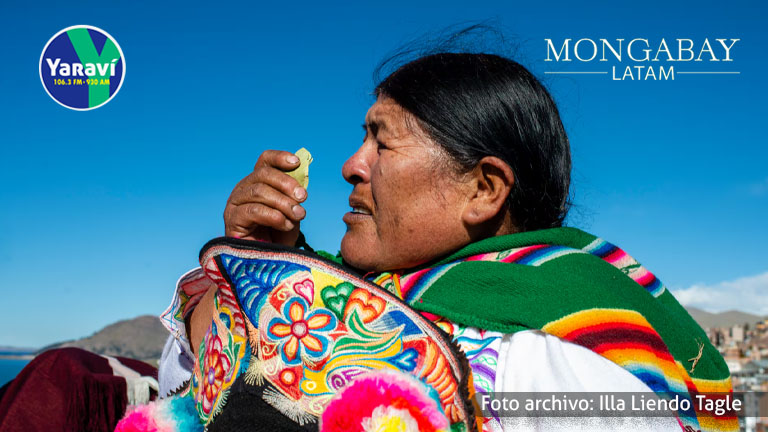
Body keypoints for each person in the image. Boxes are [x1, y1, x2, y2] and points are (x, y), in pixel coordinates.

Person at [154, 52, 736, 431]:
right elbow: (190, 382)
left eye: (382, 142)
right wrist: (256, 267)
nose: (352, 166)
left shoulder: (548, 356)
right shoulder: (358, 296)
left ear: (483, 190)